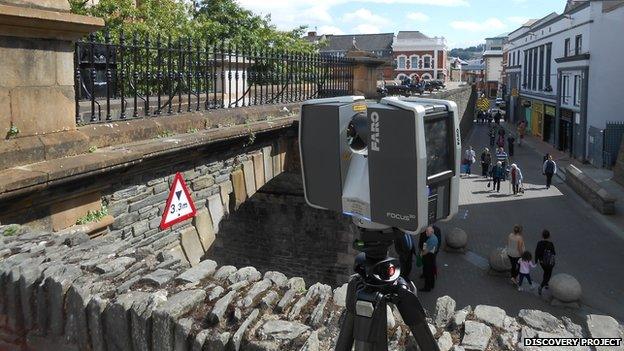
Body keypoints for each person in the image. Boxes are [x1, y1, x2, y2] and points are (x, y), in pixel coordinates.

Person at [535, 230, 556, 295]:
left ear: (542, 236)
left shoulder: (539, 243)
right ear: (549, 236)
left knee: (545, 272)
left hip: (542, 262)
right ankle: (541, 286)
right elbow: (554, 253)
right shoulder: (551, 244)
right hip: (549, 262)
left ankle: (546, 284)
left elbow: (536, 252)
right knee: (548, 275)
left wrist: (536, 261)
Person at [420, 226, 438, 292]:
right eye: (426, 231)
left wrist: (421, 254)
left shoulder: (432, 240)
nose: (426, 232)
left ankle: (427, 288)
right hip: (431, 257)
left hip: (429, 258)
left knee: (428, 273)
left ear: (432, 232)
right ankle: (431, 285)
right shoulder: (433, 237)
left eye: (427, 231)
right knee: (431, 273)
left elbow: (426, 251)